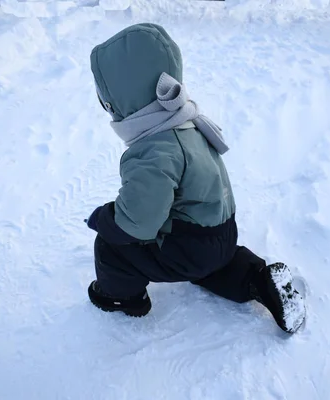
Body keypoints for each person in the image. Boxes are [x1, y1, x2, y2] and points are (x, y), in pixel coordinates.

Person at [85, 23, 306, 333]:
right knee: (214, 266)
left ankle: (122, 297)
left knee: (111, 246)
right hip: (222, 234)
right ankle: (258, 280)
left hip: (189, 246)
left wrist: (107, 219)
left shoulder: (152, 150)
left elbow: (138, 222)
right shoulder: (188, 124)